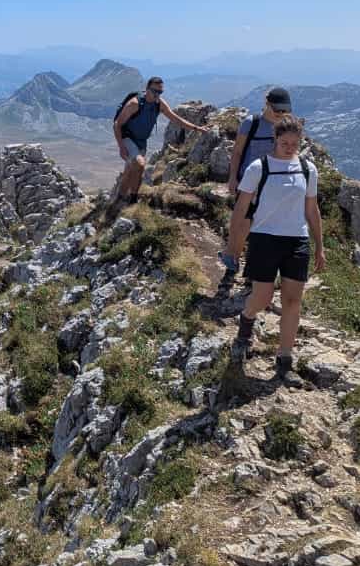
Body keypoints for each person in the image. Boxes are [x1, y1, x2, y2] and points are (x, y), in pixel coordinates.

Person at [222, 116, 326, 387]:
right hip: (264, 239)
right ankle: (246, 321)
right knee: (263, 297)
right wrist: (234, 243)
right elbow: (241, 207)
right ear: (275, 141)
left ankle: (285, 360)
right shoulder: (259, 167)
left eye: (294, 143)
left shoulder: (307, 169)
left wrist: (319, 247)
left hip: (297, 241)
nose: (289, 147)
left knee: (293, 302)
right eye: (284, 143)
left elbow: (312, 210)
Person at [113, 77, 203, 205]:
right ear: (147, 89)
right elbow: (117, 124)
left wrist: (196, 128)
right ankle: (133, 200)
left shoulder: (159, 104)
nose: (157, 95)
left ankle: (119, 199)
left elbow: (175, 119)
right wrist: (121, 146)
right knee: (140, 164)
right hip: (127, 137)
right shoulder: (135, 103)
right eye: (155, 91)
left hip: (141, 141)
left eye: (160, 92)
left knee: (129, 171)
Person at [227, 87, 294, 196]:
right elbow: (237, 152)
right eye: (277, 109)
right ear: (267, 104)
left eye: (285, 109)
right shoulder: (252, 123)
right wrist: (232, 178)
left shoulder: (285, 126)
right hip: (248, 183)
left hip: (273, 183)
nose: (281, 113)